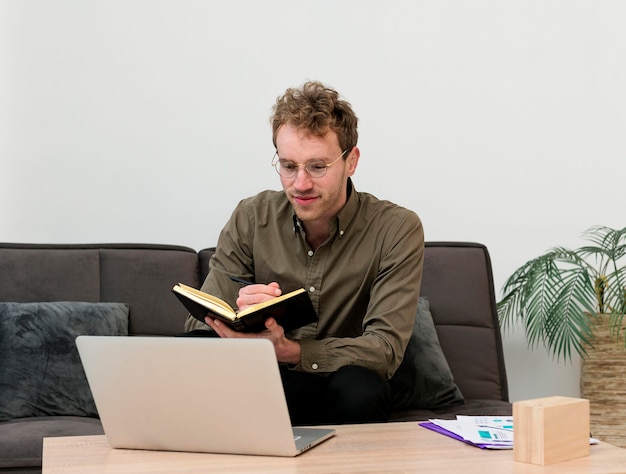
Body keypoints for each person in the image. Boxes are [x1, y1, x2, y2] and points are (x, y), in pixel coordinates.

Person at [185, 80, 424, 425]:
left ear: (351, 161)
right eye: (288, 166)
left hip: (337, 387)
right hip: (261, 380)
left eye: (317, 167)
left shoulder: (396, 228)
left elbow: (384, 350)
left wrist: (290, 350)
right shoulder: (252, 216)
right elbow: (199, 321)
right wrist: (241, 318)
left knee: (362, 387)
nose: (300, 184)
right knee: (188, 345)